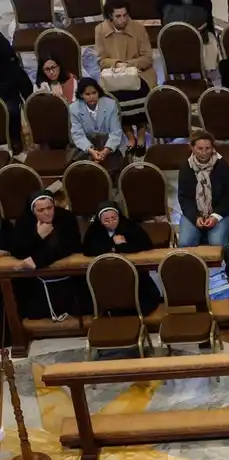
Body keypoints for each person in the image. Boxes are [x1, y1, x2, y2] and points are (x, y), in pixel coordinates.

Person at [7, 193, 87, 321]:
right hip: (36, 282)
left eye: (50, 208)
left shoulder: (66, 217)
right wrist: (38, 236)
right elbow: (18, 251)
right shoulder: (24, 221)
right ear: (33, 211)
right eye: (41, 210)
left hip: (65, 277)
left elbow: (71, 246)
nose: (47, 213)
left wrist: (37, 260)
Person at [177, 132, 229, 278]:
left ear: (213, 148)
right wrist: (195, 217)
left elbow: (228, 197)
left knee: (217, 242)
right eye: (200, 148)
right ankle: (193, 273)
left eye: (207, 148)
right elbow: (184, 198)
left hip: (222, 212)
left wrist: (215, 216)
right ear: (192, 148)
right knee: (185, 242)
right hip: (196, 212)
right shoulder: (186, 168)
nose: (204, 152)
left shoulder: (222, 166)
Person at [94, 1, 155, 151]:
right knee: (114, 98)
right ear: (110, 16)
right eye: (118, 16)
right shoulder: (100, 30)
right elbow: (101, 60)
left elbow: (147, 58)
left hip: (140, 72)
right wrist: (117, 64)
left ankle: (141, 134)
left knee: (140, 93)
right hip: (114, 75)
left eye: (125, 15)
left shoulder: (139, 28)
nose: (123, 19)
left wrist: (129, 65)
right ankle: (129, 135)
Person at [82, 201, 162, 313]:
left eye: (114, 219)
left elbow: (145, 245)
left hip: (132, 274)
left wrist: (123, 246)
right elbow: (88, 250)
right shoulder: (94, 230)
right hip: (106, 274)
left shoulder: (130, 226)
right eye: (106, 220)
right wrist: (112, 243)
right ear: (100, 220)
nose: (111, 222)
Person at [68, 79, 124, 177]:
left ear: (98, 92)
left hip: (108, 144)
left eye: (94, 93)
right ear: (81, 95)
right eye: (87, 94)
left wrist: (105, 151)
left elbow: (116, 132)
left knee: (113, 167)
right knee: (81, 170)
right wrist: (91, 151)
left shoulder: (110, 104)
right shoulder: (74, 108)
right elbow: (77, 135)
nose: (92, 97)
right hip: (86, 146)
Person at [0, 34, 30, 147]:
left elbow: (13, 70)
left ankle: (15, 140)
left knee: (11, 110)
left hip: (7, 86)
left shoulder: (2, 44)